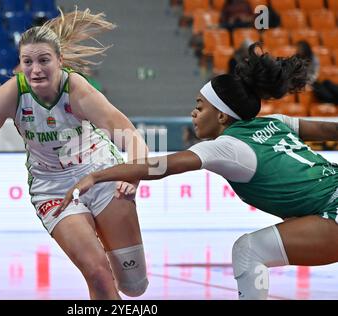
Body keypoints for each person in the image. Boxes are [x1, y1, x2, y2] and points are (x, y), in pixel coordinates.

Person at [57, 43, 338, 300]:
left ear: (221, 116)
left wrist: (97, 175)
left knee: (248, 250)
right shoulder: (276, 122)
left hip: (332, 208)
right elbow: (330, 129)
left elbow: (161, 166)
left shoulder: (227, 146)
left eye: (199, 107)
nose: (193, 113)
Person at [0, 8, 149, 300]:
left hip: (100, 174)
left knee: (134, 287)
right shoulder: (12, 93)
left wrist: (135, 175)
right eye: (27, 61)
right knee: (97, 272)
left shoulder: (77, 89)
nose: (35, 69)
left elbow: (128, 133)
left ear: (60, 61)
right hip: (53, 188)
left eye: (44, 60)